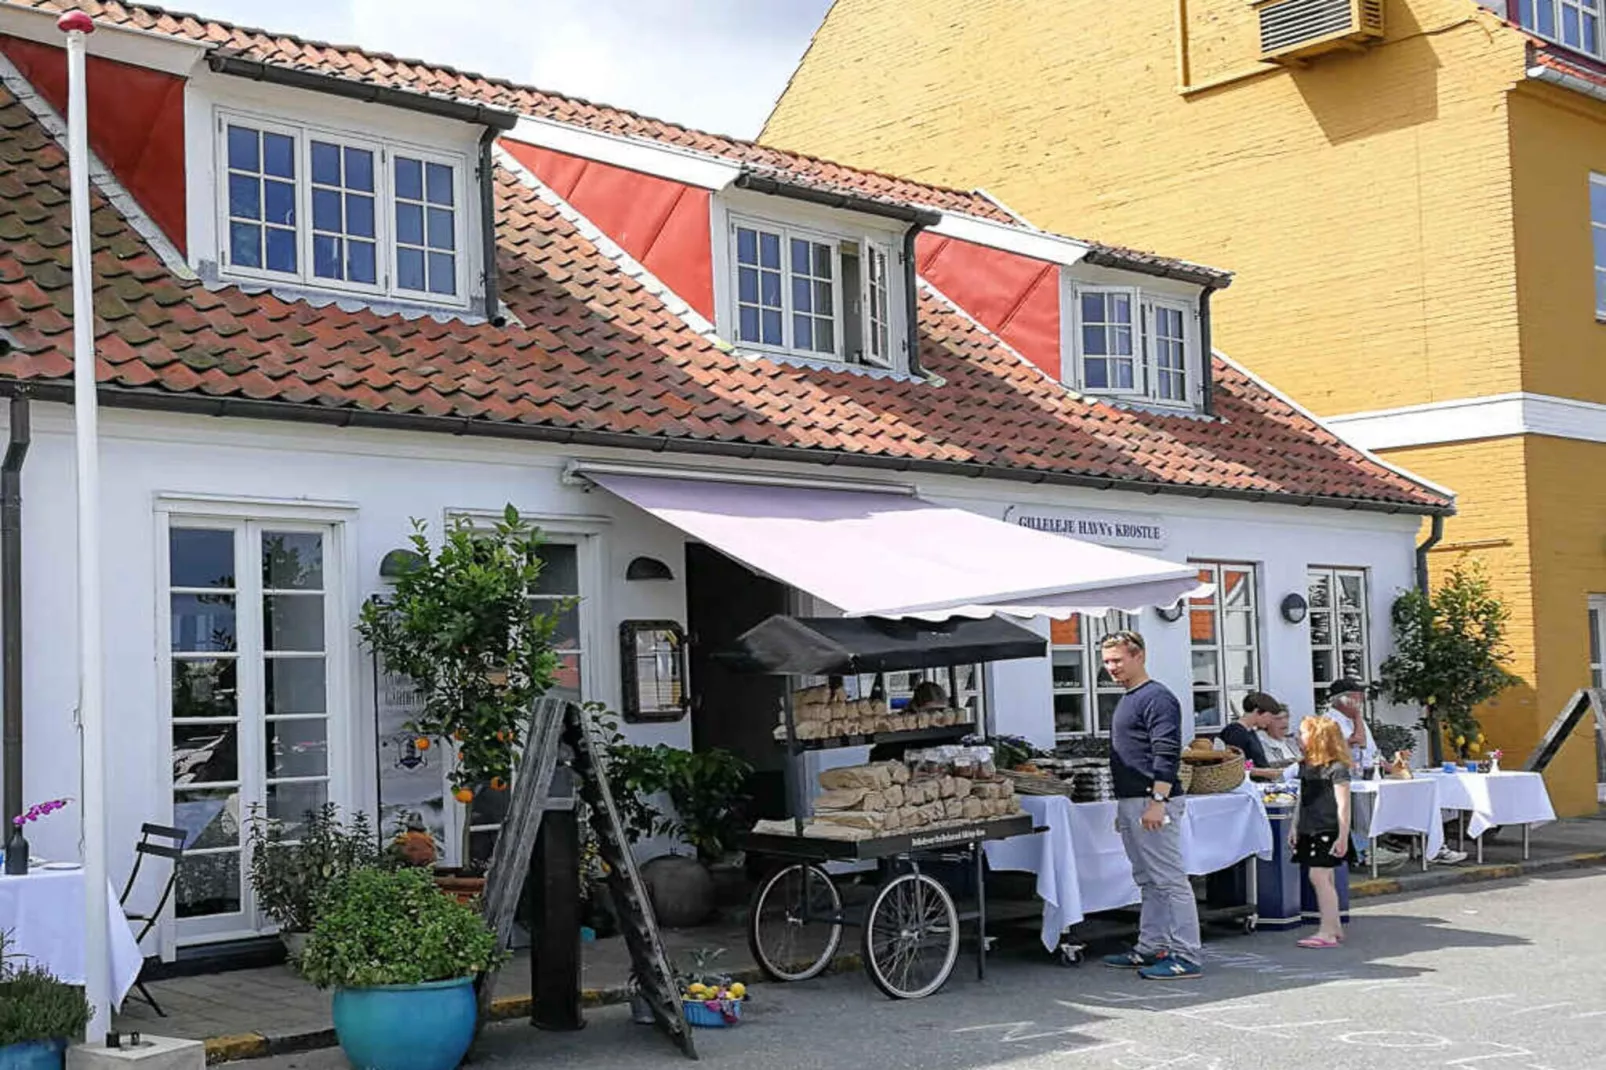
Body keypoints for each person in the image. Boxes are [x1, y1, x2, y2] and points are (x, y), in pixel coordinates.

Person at [1098, 630, 1202, 981]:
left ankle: (1186, 954)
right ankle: (1151, 945)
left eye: (1117, 660)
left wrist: (1158, 801)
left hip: (1151, 798)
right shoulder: (1129, 697)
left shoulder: (1157, 698)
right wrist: (1124, 805)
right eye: (1107, 661)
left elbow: (1166, 752)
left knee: (1169, 879)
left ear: (1138, 655)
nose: (1111, 667)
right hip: (1134, 799)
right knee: (1147, 879)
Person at [1327, 679, 1465, 866]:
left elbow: (1371, 752)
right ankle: (1368, 851)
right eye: (1356, 696)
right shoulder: (1332, 719)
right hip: (1349, 777)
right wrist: (1358, 716)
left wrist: (1391, 766)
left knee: (1416, 797)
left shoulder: (1354, 718)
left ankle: (1432, 845)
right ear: (1343, 700)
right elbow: (1358, 741)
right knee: (1363, 812)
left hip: (1369, 772)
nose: (1361, 700)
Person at [1292, 716, 1352, 949]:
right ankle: (1333, 926)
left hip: (1328, 828)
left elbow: (1343, 805)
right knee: (1324, 877)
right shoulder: (1307, 765)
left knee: (1318, 877)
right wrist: (1296, 825)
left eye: (1304, 733)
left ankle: (1327, 930)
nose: (1299, 737)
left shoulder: (1336, 768)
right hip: (1310, 826)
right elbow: (1302, 798)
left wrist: (1342, 835)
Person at [1219, 692, 1280, 780]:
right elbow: (1233, 766)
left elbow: (1248, 762)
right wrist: (1265, 773)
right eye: (1269, 716)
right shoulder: (1235, 733)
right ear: (1257, 711)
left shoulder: (1249, 731)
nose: (1270, 721)